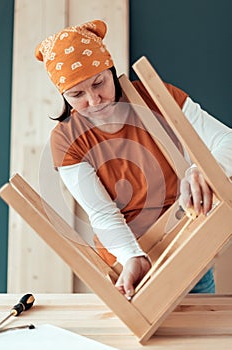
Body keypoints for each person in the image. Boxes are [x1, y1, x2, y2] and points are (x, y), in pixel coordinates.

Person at [35, 20, 232, 298]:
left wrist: (204, 169)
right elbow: (102, 213)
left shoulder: (156, 95)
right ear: (64, 96)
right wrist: (132, 257)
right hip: (128, 257)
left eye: (99, 83)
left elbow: (228, 142)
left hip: (188, 238)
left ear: (111, 71)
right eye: (77, 94)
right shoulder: (65, 140)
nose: (94, 100)